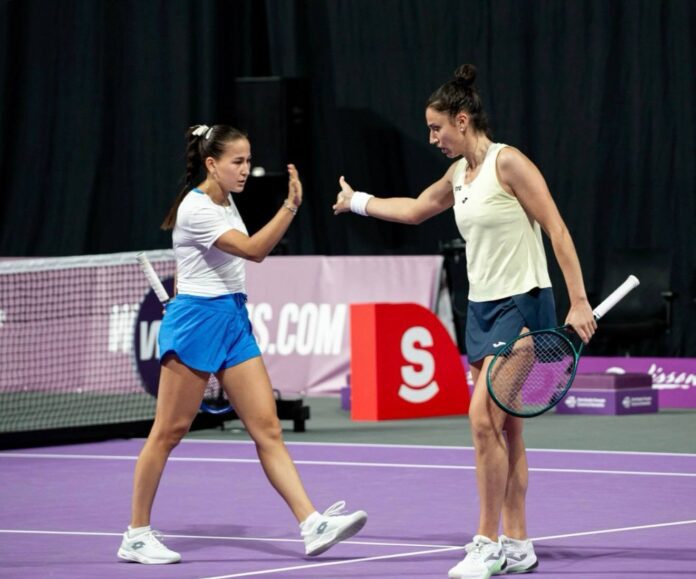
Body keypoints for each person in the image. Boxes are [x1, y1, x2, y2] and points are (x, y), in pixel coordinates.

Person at [333, 65, 596, 579]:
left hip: (522, 305)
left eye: (437, 128)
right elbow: (415, 209)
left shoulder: (508, 162)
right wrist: (357, 202)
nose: (433, 138)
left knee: (482, 422)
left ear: (462, 119)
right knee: (506, 430)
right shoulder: (458, 175)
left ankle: (486, 542)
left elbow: (557, 229)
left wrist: (579, 300)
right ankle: (518, 542)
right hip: (481, 310)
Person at [118, 124, 367, 565]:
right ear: (211, 164)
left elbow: (212, 263)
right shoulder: (197, 209)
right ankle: (136, 535)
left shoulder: (226, 200)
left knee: (267, 428)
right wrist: (290, 206)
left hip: (232, 319)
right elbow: (254, 250)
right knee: (169, 432)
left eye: (249, 161)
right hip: (197, 322)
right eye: (237, 161)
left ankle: (311, 523)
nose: (246, 169)